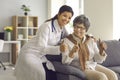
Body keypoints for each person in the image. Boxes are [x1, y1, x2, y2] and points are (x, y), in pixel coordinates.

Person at [14, 5, 74, 80]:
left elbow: (70, 37)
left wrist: (87, 37)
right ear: (58, 14)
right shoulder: (46, 26)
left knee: (50, 73)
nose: (66, 19)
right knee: (40, 74)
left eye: (69, 18)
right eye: (64, 16)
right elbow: (41, 48)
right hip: (30, 53)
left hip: (42, 55)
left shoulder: (62, 28)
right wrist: (59, 49)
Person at [61, 15, 118, 80]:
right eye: (76, 26)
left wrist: (101, 50)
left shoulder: (90, 40)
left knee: (113, 75)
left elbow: (98, 60)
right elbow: (64, 62)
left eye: (81, 28)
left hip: (93, 65)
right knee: (101, 77)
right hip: (80, 67)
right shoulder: (66, 41)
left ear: (86, 30)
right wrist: (72, 52)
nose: (78, 30)